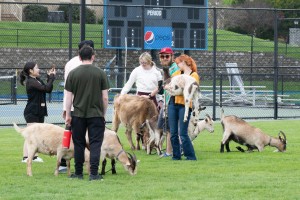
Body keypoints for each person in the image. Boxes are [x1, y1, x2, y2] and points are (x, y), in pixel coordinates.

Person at [65, 45, 109, 181]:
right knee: (95, 144)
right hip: (96, 114)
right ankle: (93, 173)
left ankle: (78, 173)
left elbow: (68, 97)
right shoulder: (100, 73)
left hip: (77, 114)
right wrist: (103, 113)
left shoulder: (73, 73)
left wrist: (68, 115)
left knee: (78, 144)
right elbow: (105, 97)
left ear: (79, 57)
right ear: (93, 57)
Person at [60, 40, 95, 173]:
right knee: (83, 136)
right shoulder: (79, 64)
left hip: (74, 105)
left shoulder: (70, 63)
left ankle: (66, 162)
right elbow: (68, 88)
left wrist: (66, 108)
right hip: (83, 106)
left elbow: (66, 89)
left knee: (71, 134)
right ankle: (89, 164)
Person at [19, 61, 56, 163]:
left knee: (36, 135)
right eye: (36, 68)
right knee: (30, 135)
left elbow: (48, 89)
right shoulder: (31, 82)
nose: (38, 69)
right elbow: (46, 88)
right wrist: (52, 77)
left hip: (39, 111)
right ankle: (26, 157)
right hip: (32, 111)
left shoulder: (37, 80)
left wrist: (49, 78)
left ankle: (33, 157)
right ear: (31, 71)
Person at [167, 54, 200, 160]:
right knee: (173, 133)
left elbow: (191, 91)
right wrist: (168, 87)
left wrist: (181, 87)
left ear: (184, 62)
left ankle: (190, 156)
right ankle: (176, 156)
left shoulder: (194, 75)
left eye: (178, 63)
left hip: (184, 106)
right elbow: (171, 87)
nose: (177, 65)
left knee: (183, 133)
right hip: (172, 104)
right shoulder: (176, 73)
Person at [157, 47, 179, 158]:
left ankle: (171, 152)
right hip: (167, 101)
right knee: (166, 128)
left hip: (174, 101)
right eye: (162, 56)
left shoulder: (175, 68)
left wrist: (165, 72)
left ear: (172, 57)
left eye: (167, 56)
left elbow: (171, 83)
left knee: (171, 129)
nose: (164, 58)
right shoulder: (167, 68)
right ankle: (169, 151)